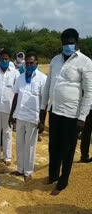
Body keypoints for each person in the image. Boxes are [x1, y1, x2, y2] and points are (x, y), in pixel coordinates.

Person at [40, 28, 92, 196]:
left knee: (67, 150)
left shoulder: (85, 62)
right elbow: (48, 86)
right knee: (53, 147)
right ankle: (53, 175)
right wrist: (43, 109)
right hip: (55, 112)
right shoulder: (55, 60)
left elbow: (89, 91)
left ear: (77, 43)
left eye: (71, 42)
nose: (67, 45)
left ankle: (62, 183)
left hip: (72, 115)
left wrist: (82, 118)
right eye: (65, 42)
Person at [9, 52, 47, 182]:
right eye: (27, 63)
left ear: (37, 63)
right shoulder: (20, 77)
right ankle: (20, 169)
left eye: (32, 63)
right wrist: (11, 115)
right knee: (19, 144)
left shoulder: (42, 79)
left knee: (30, 146)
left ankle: (28, 172)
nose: (29, 65)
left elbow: (44, 102)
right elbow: (15, 96)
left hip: (33, 118)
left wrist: (42, 121)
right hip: (20, 116)